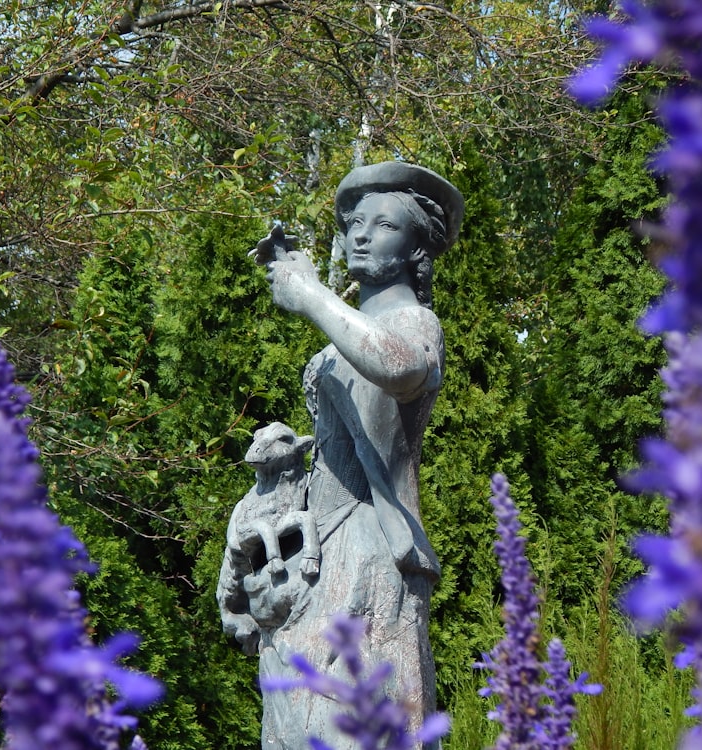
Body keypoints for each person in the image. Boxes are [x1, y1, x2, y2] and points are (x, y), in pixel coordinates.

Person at [248, 162, 464, 749]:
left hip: (372, 547)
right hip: (320, 547)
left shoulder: (414, 321)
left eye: (384, 225)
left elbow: (398, 366)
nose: (362, 235)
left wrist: (313, 296)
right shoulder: (345, 333)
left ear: (417, 245)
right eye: (354, 224)